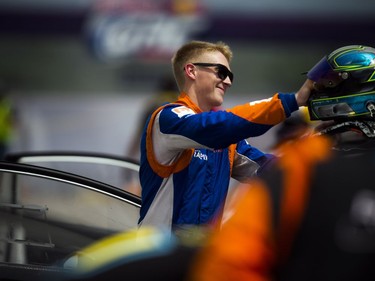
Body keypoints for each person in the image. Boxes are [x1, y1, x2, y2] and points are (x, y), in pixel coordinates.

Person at [189, 45, 375, 281]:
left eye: (330, 84)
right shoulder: (172, 115)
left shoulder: (312, 159)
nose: (318, 90)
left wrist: (292, 102)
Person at [138, 40, 314, 232]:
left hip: (200, 257)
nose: (228, 82)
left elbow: (270, 169)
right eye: (221, 72)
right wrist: (294, 100)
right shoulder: (168, 118)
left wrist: (323, 154)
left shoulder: (227, 140)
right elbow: (213, 128)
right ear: (191, 71)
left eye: (230, 76)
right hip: (158, 256)